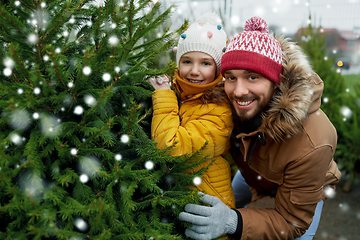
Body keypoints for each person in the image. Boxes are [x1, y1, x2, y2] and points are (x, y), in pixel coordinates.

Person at [178, 16, 341, 240]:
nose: (239, 91)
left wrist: (231, 221)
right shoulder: (225, 102)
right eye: (231, 77)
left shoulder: (312, 142)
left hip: (301, 182)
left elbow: (291, 222)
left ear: (276, 81)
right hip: (253, 170)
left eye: (252, 77)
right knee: (229, 203)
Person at [149, 12, 235, 209]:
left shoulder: (219, 111)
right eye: (187, 61)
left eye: (205, 63)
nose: (194, 70)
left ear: (218, 69)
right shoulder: (181, 94)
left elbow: (170, 148)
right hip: (180, 202)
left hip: (207, 207)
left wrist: (163, 96)